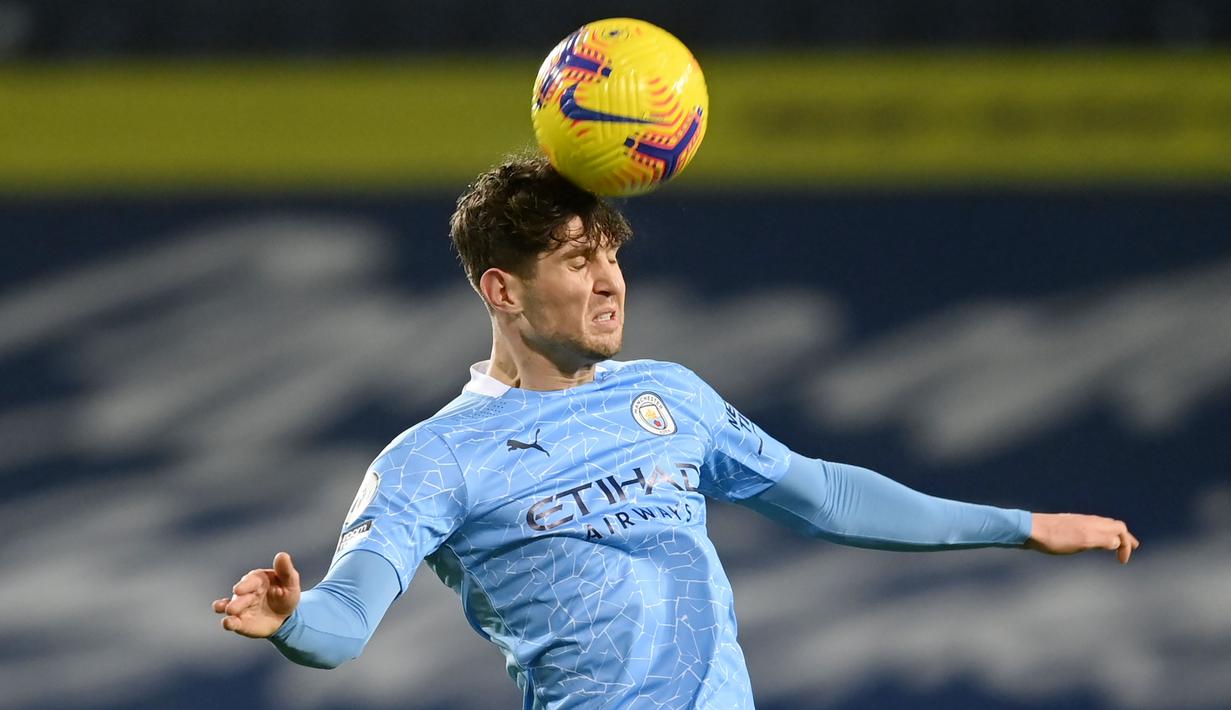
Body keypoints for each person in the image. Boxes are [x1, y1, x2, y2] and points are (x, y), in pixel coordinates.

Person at [213, 155, 1139, 709]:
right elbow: (342, 624)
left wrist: (1017, 524)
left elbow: (821, 496)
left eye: (611, 254)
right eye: (578, 259)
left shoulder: (667, 396)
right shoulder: (433, 459)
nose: (610, 280)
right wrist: (292, 620)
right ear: (501, 289)